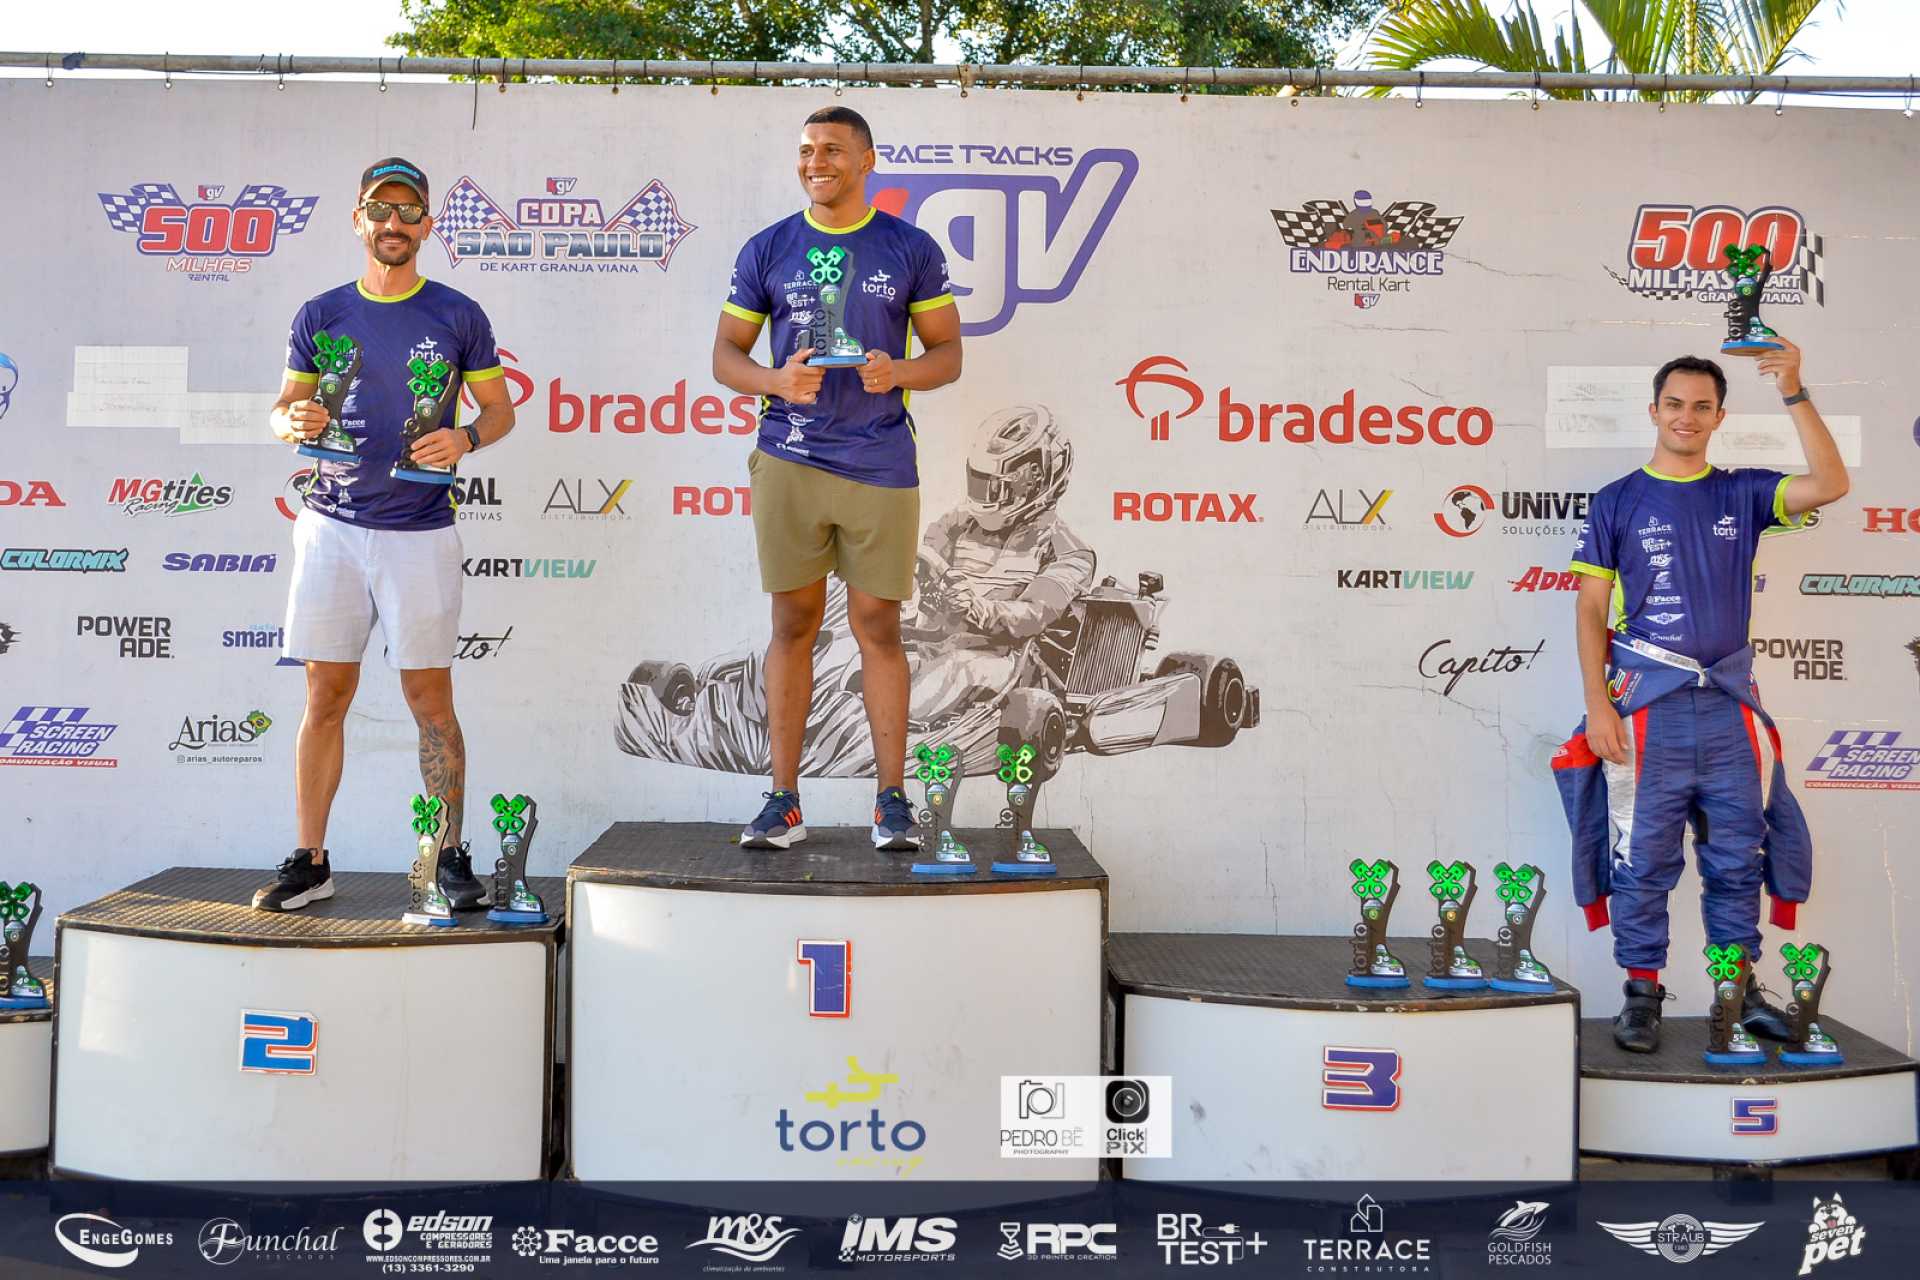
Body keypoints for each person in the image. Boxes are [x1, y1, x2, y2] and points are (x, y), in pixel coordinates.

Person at [1553, 340, 1849, 1053]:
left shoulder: (1741, 492)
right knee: (1642, 859)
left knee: (1737, 859)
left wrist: (1794, 388)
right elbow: (1590, 608)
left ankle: (1736, 995)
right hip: (1646, 711)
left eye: (1702, 406)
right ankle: (1641, 996)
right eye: (1675, 404)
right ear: (1654, 411)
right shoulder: (1617, 500)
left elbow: (1831, 483)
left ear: (1720, 417)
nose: (1686, 416)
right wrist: (1597, 705)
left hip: (1727, 710)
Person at [254, 158, 516, 913]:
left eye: (407, 211)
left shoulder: (459, 314)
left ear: (427, 225)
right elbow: (284, 409)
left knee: (430, 697)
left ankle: (449, 856)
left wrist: (466, 438)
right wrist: (291, 421)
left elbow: (500, 411)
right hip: (331, 526)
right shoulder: (321, 313)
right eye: (379, 209)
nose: (392, 223)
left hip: (418, 529)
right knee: (325, 694)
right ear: (358, 219)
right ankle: (310, 860)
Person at [713, 106, 962, 850]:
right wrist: (774, 381)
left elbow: (947, 355)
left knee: (878, 626)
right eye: (805, 150)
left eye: (830, 149)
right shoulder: (769, 247)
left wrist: (898, 371)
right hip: (789, 456)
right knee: (792, 625)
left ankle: (891, 802)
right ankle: (783, 801)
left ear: (866, 160)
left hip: (879, 461)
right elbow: (726, 354)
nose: (815, 162)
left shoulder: (909, 246)